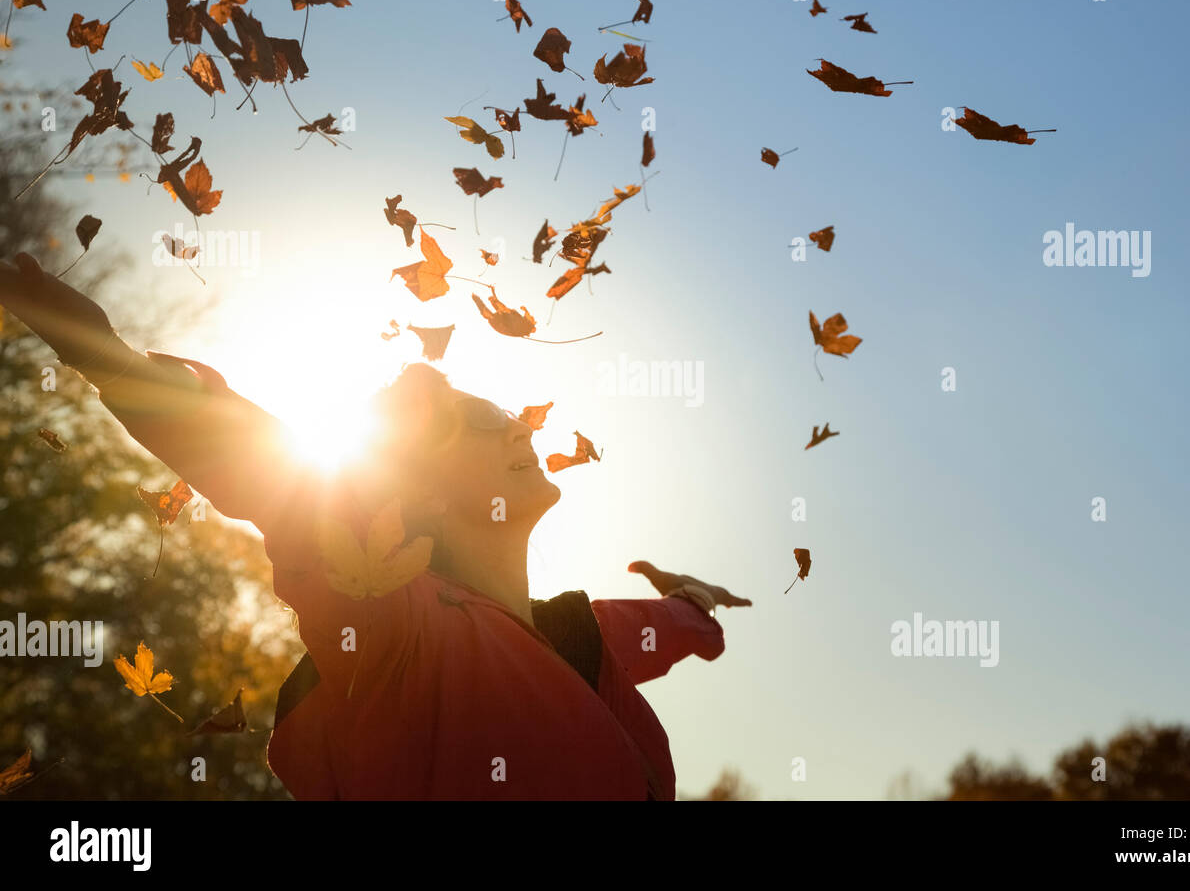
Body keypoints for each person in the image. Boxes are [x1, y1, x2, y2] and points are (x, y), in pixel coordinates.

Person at [0, 252, 752, 800]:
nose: (517, 430)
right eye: (482, 423)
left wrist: (693, 600)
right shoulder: (395, 620)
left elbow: (672, 626)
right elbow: (269, 473)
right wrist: (105, 355)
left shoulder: (579, 637)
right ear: (415, 497)